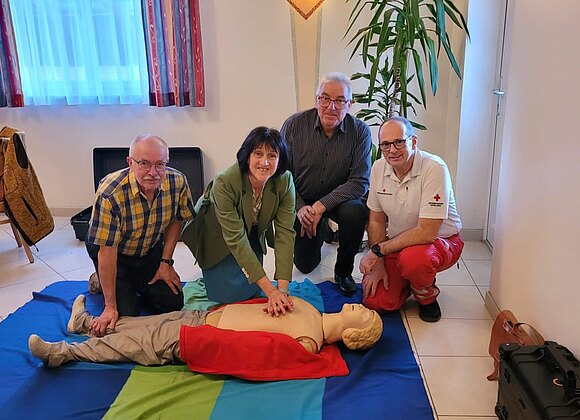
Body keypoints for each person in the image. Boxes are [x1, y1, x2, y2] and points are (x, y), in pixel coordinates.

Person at [28, 294, 383, 367]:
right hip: (206, 316)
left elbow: (251, 356)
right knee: (141, 323)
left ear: (353, 336)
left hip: (199, 339)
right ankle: (86, 325)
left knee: (136, 342)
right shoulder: (309, 307)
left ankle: (64, 353)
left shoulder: (308, 344)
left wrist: (201, 344)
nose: (363, 308)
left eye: (366, 317)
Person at [85, 135, 195, 337]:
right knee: (126, 315)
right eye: (144, 164)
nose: (153, 173)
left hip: (148, 246)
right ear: (130, 163)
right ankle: (100, 279)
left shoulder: (177, 182)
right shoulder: (110, 193)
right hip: (114, 251)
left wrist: (165, 263)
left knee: (172, 303)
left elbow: (177, 220)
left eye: (160, 164)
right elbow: (107, 252)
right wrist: (110, 306)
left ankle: (134, 281)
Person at [181, 127, 295, 316]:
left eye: (272, 155)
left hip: (251, 229)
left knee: (251, 289)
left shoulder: (285, 181)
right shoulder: (225, 182)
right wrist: (270, 291)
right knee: (228, 296)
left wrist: (282, 290)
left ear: (280, 159)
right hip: (217, 233)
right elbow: (235, 238)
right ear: (247, 155)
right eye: (258, 153)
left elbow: (285, 233)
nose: (264, 162)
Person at [359, 116, 464, 322]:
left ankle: (425, 295)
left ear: (413, 141)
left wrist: (378, 251)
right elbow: (376, 221)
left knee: (414, 260)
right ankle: (407, 280)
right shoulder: (378, 168)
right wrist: (378, 264)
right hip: (399, 243)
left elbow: (427, 232)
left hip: (440, 242)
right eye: (385, 144)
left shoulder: (435, 168)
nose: (392, 150)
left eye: (399, 142)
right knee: (376, 302)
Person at [280, 72, 372, 297]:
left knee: (355, 212)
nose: (331, 107)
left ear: (349, 104)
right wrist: (301, 207)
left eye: (339, 100)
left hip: (340, 200)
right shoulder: (293, 126)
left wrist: (320, 207)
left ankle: (343, 272)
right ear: (316, 100)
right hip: (303, 199)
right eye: (325, 98)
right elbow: (282, 174)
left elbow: (360, 182)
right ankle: (321, 229)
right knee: (305, 265)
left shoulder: (360, 132)